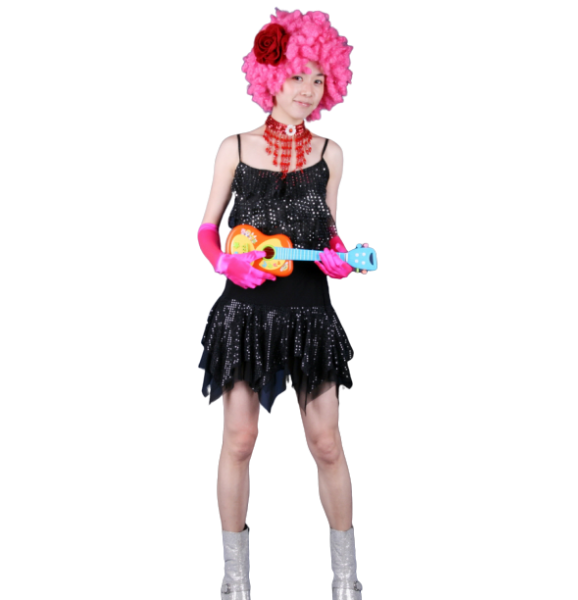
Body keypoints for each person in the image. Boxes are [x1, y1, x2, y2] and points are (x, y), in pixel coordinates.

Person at [197, 8, 364, 599]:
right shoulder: (234, 147)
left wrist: (341, 258)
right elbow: (207, 229)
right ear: (270, 76)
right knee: (239, 440)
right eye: (297, 76)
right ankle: (235, 578)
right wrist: (224, 262)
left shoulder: (331, 153)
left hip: (311, 313)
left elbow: (331, 235)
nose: (307, 89)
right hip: (244, 315)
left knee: (328, 444)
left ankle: (346, 577)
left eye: (319, 79)